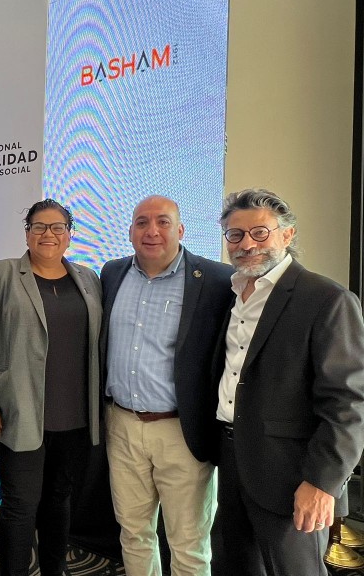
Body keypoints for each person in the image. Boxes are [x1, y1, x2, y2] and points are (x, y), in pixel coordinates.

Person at [212, 188, 364, 576]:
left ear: (288, 234)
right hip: (231, 461)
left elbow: (347, 402)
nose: (247, 244)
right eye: (235, 234)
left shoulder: (327, 299)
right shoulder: (232, 294)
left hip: (291, 474)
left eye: (260, 232)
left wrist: (322, 482)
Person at [0, 198, 102, 576]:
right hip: (19, 410)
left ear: (69, 235)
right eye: (39, 226)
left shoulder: (88, 279)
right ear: (27, 234)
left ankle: (53, 570)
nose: (48, 234)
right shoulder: (3, 274)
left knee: (59, 499)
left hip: (74, 415)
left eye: (58, 227)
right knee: (21, 506)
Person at [100, 195, 234, 576]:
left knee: (189, 544)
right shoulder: (112, 273)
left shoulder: (215, 280)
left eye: (163, 222)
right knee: (133, 532)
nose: (152, 231)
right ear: (130, 231)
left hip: (182, 431)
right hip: (122, 426)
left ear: (181, 230)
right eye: (142, 222)